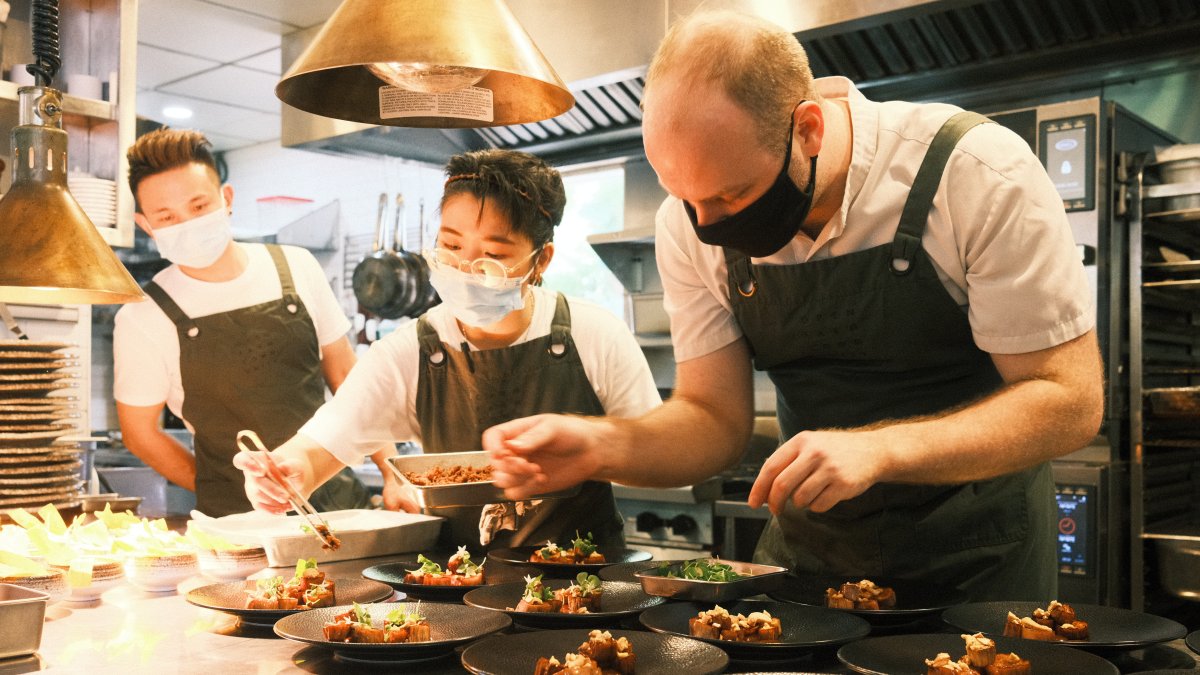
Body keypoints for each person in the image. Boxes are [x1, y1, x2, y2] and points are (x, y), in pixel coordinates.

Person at [484, 10, 1103, 601]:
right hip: (810, 561)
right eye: (687, 200)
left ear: (808, 128)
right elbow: (711, 416)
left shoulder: (972, 174)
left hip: (979, 560)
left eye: (732, 195)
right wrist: (600, 447)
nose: (706, 224)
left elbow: (1068, 400)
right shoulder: (688, 220)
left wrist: (880, 450)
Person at [232, 149, 660, 548]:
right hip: (455, 594)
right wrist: (286, 473)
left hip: (588, 590)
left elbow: (654, 460)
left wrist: (591, 449)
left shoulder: (594, 333)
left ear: (541, 260)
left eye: (492, 254)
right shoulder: (408, 352)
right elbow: (320, 446)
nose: (465, 270)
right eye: (451, 247)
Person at [113, 128, 402, 517]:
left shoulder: (296, 266)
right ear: (147, 225)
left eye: (199, 207)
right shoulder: (142, 317)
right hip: (237, 521)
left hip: (336, 503)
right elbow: (139, 433)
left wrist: (392, 470)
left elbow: (349, 378)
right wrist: (217, 484)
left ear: (226, 199)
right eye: (167, 217)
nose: (186, 224)